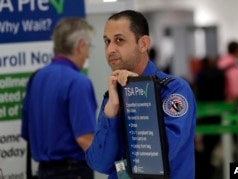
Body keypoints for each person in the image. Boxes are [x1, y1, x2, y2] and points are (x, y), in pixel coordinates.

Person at [85, 10, 196, 179]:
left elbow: (156, 157)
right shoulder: (114, 94)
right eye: (107, 41)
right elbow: (98, 163)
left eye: (119, 40)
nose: (110, 49)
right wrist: (112, 111)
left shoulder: (173, 90)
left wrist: (140, 97)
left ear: (143, 44)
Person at [21, 17, 97, 179]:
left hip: (43, 172)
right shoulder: (78, 82)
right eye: (88, 47)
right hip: (73, 172)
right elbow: (85, 139)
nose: (88, 55)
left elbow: (27, 132)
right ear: (80, 45)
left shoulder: (36, 78)